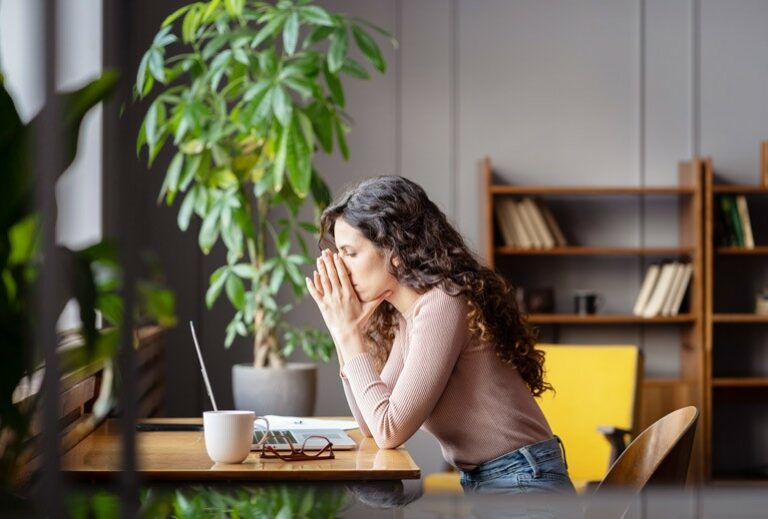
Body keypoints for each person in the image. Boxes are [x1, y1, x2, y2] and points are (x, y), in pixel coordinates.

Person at [305, 175, 575, 496]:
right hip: (501, 481)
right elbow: (371, 425)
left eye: (350, 253)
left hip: (523, 481)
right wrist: (345, 334)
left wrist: (348, 333)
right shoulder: (411, 316)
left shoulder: (442, 303)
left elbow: (389, 430)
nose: (342, 268)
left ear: (394, 249)